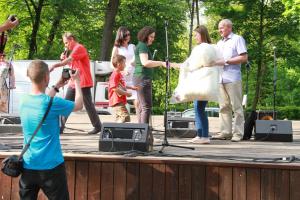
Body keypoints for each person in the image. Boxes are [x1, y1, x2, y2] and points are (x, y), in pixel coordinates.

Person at [19, 60, 83, 199]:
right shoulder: (53, 103)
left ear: (29, 76)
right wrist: (77, 82)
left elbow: (42, 103)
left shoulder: (23, 101)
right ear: (46, 78)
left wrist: (58, 84)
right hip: (52, 167)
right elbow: (79, 105)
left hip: (28, 165)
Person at [170, 25, 215, 144]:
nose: (195, 37)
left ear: (202, 34)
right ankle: (200, 134)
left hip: (203, 82)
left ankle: (204, 136)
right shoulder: (202, 47)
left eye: (196, 35)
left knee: (199, 108)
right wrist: (176, 65)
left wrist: (184, 66)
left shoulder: (205, 48)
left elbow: (201, 64)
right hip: (200, 81)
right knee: (197, 108)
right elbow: (189, 63)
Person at [50, 32, 102, 134]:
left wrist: (55, 65)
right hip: (74, 80)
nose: (65, 45)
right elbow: (71, 63)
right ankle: (60, 127)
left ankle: (98, 126)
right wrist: (63, 59)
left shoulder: (79, 48)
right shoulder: (73, 50)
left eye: (66, 43)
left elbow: (69, 61)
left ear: (72, 40)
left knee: (88, 105)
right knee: (66, 103)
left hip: (83, 81)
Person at [212, 19, 248, 142]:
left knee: (237, 107)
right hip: (220, 78)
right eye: (219, 28)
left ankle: (238, 134)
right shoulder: (219, 43)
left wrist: (226, 61)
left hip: (233, 78)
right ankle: (225, 132)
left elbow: (243, 57)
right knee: (223, 107)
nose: (219, 30)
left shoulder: (237, 39)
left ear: (229, 27)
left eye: (221, 27)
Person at [133, 26, 166, 124]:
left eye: (153, 37)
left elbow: (134, 62)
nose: (153, 39)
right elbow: (145, 62)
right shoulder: (142, 46)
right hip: (142, 78)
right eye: (151, 36)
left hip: (139, 77)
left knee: (141, 106)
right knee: (146, 106)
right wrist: (160, 63)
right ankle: (144, 133)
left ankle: (141, 132)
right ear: (145, 36)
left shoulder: (140, 45)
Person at [110, 26, 139, 113]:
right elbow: (112, 64)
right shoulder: (117, 48)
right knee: (121, 102)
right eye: (127, 34)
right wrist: (122, 71)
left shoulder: (132, 46)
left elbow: (138, 60)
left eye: (129, 34)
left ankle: (141, 124)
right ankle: (121, 121)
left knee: (138, 101)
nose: (129, 36)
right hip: (122, 78)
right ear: (121, 35)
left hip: (133, 76)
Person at [109, 55, 137, 122]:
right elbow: (114, 88)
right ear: (119, 64)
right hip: (117, 101)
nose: (125, 65)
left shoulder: (119, 74)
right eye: (124, 63)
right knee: (125, 116)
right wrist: (126, 93)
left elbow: (121, 85)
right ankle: (116, 129)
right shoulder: (115, 74)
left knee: (120, 118)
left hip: (120, 100)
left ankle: (116, 130)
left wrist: (131, 87)